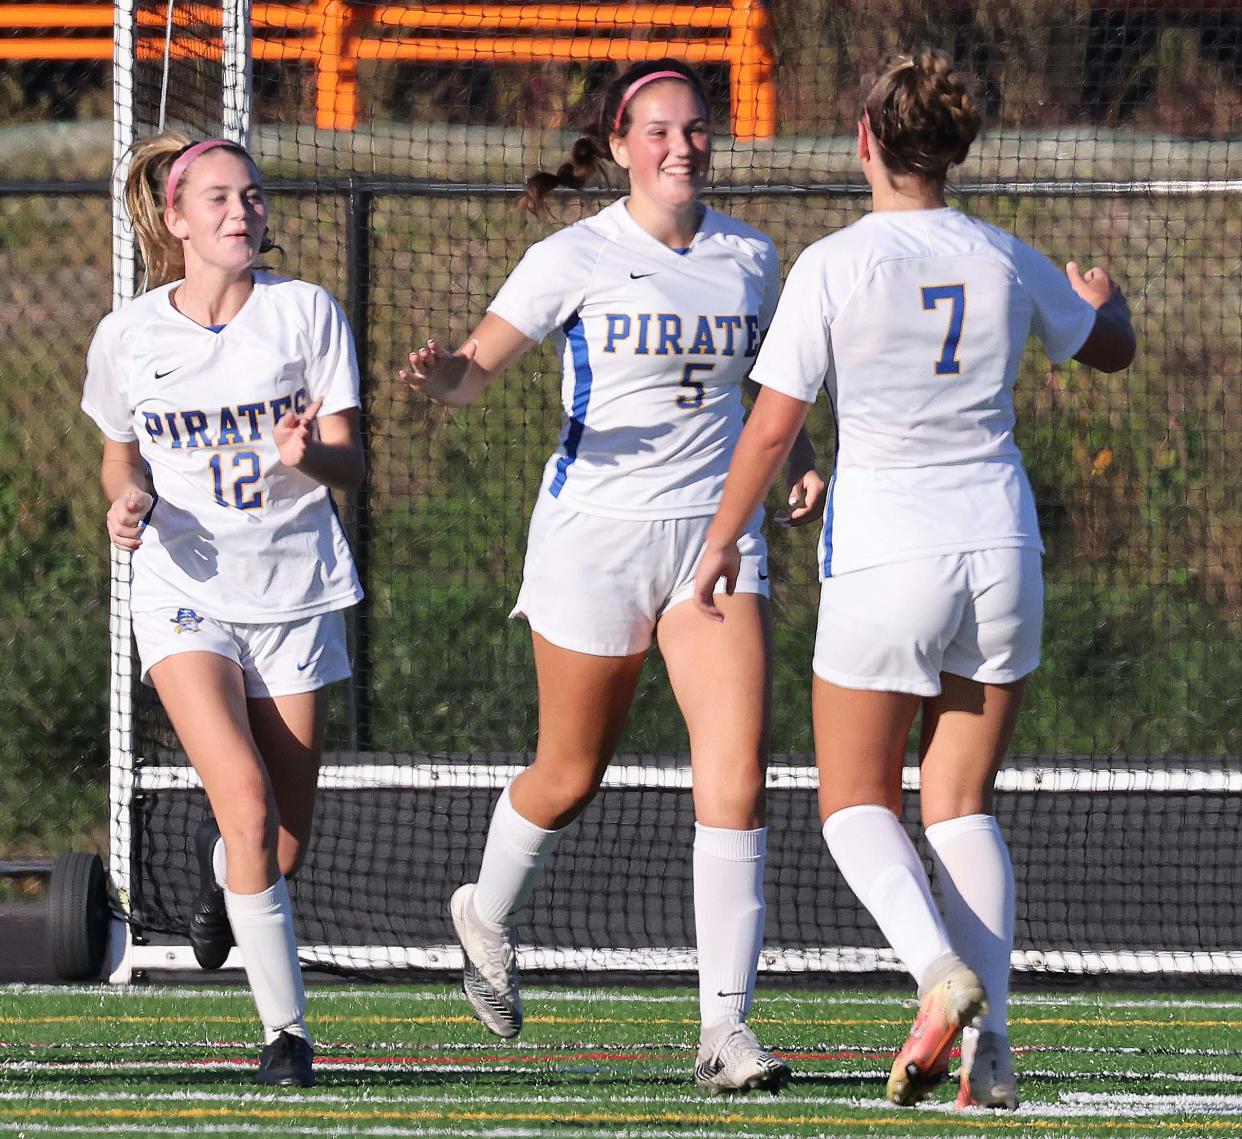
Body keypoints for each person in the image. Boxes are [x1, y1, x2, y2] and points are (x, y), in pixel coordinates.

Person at [692, 49, 1136, 1110]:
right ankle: (995, 1061)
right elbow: (1110, 346)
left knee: (851, 799)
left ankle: (938, 971)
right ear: (955, 147)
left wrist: (717, 543)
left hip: (889, 550)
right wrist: (1101, 298)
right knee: (960, 802)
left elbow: (770, 431)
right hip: (1001, 549)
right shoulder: (1000, 253)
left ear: (865, 141)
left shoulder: (836, 264)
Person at [400, 58, 824, 1094]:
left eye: (697, 129)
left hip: (716, 542)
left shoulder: (753, 257)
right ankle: (485, 913)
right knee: (569, 772)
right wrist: (440, 375)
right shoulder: (573, 255)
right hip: (594, 539)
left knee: (737, 775)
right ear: (622, 145)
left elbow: (776, 390)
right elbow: (475, 373)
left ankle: (725, 1030)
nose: (683, 146)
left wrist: (803, 462)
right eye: (661, 131)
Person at [82, 132, 366, 1087]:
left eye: (250, 195)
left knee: (279, 842)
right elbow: (121, 452)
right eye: (218, 199)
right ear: (176, 220)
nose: (241, 211)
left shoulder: (306, 313)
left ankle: (222, 884)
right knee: (239, 801)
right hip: (184, 596)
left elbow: (350, 460)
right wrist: (125, 498)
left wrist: (308, 458)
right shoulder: (129, 334)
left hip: (294, 595)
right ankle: (287, 1036)